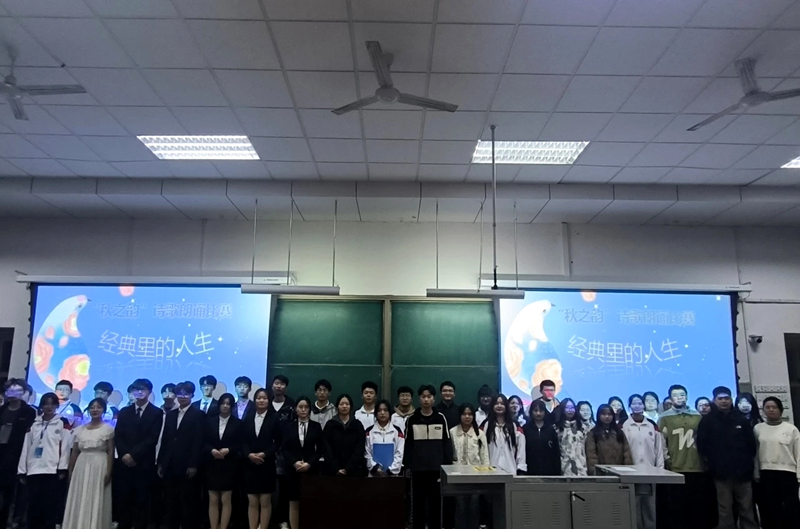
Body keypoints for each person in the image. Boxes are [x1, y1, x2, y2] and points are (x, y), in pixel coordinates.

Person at [697, 386, 758, 529]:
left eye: (727, 398)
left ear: (731, 400)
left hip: (743, 472)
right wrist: (714, 463)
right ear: (714, 400)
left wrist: (746, 464)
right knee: (724, 508)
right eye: (720, 399)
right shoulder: (707, 421)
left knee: (746, 507)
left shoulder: (741, 420)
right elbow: (702, 445)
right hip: (721, 473)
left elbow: (751, 445)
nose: (724, 401)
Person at [658, 384, 713, 529]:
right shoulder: (664, 417)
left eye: (682, 395)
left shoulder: (697, 416)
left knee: (697, 505)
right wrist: (667, 459)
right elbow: (661, 442)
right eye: (675, 395)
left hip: (697, 466)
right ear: (670, 398)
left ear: (687, 397)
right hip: (676, 467)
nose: (679, 398)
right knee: (677, 506)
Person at [17, 392, 71, 529]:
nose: (49, 407)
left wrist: (62, 468)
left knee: (49, 507)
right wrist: (22, 470)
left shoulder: (62, 423)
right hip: (33, 470)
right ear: (41, 406)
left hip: (52, 471)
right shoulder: (34, 424)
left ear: (57, 406)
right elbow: (26, 446)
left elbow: (65, 447)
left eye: (52, 404)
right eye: (46, 404)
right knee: (33, 506)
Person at [114, 378, 163, 529]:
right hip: (124, 463)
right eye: (136, 389)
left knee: (142, 499)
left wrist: (134, 455)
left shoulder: (156, 412)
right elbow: (118, 435)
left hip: (143, 463)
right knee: (124, 497)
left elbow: (153, 438)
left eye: (143, 389)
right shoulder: (124, 412)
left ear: (150, 392)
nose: (140, 392)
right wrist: (125, 454)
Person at [404, 385, 453, 529]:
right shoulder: (412, 419)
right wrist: (407, 465)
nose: (426, 399)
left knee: (436, 503)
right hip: (417, 469)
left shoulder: (441, 418)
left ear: (434, 399)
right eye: (423, 396)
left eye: (429, 396)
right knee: (417, 503)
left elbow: (446, 443)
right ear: (419, 399)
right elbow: (408, 444)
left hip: (436, 469)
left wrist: (447, 465)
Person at [63, 398, 115, 529]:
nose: (95, 410)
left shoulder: (108, 429)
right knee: (80, 495)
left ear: (103, 410)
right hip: (81, 464)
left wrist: (109, 471)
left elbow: (110, 451)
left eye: (98, 407)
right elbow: (75, 452)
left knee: (96, 496)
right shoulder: (79, 429)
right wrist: (71, 470)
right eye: (92, 407)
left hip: (99, 464)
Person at [159, 381, 205, 529]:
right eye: (180, 394)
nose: (182, 397)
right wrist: (161, 463)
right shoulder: (171, 414)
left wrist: (193, 464)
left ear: (192, 395)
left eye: (186, 394)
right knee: (170, 501)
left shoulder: (198, 415)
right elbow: (165, 440)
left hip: (187, 465)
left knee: (188, 501)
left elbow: (198, 441)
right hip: (170, 464)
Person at [753, 396, 800, 529]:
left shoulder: (791, 429)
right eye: (767, 407)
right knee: (769, 508)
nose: (771, 410)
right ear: (763, 410)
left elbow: (798, 453)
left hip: (788, 474)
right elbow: (755, 453)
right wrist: (756, 473)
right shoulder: (758, 428)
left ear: (780, 409)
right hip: (765, 473)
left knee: (790, 508)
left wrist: (799, 475)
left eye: (774, 407)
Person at [622, 394, 664, 529]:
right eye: (634, 403)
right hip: (630, 471)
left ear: (643, 405)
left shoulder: (652, 425)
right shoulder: (623, 425)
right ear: (629, 406)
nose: (637, 406)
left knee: (649, 504)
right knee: (632, 503)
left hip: (650, 470)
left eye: (640, 403)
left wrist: (660, 468)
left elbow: (659, 448)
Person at [282, 396, 323, 529]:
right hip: (293, 470)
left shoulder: (316, 427)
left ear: (310, 409)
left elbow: (320, 450)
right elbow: (284, 449)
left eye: (306, 407)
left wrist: (309, 464)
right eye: (300, 407)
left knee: (309, 502)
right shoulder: (288, 427)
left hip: (311, 470)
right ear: (295, 409)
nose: (303, 410)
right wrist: (294, 463)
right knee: (293, 501)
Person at [241, 387, 280, 529]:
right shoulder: (248, 417)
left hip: (266, 463)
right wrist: (249, 454)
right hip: (250, 464)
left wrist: (265, 454)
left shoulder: (274, 418)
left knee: (265, 501)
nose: (261, 401)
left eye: (264, 398)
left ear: (269, 400)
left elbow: (278, 442)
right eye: (258, 398)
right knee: (252, 501)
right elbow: (242, 440)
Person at [0, 378, 36, 529]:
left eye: (18, 390)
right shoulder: (2, 409)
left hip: (17, 456)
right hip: (1, 453)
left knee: (12, 493)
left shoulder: (29, 412)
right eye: (10, 390)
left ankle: (11, 521)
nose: (13, 393)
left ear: (24, 392)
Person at [203, 393, 242, 529]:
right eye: (223, 403)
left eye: (228, 404)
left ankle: (224, 527)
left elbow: (240, 443)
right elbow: (203, 442)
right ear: (219, 405)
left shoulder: (238, 423)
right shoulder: (209, 422)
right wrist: (211, 450)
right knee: (213, 499)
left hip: (229, 464)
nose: (225, 406)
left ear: (232, 406)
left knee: (226, 499)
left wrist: (229, 450)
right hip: (212, 464)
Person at [450, 403, 489, 529]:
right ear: (459, 415)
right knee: (460, 507)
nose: (467, 417)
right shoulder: (452, 432)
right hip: (457, 476)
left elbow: (484, 456)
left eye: (470, 414)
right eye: (464, 414)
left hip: (475, 476)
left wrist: (485, 475)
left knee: (474, 507)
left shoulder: (480, 433)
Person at [322, 394, 367, 477]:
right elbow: (326, 448)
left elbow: (360, 448)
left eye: (347, 404)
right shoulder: (330, 425)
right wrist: (336, 468)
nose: (344, 406)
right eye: (341, 404)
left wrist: (348, 468)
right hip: (332, 471)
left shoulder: (357, 425)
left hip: (354, 471)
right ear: (337, 406)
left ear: (351, 406)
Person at [271, 375, 294, 529]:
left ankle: (282, 519)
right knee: (266, 488)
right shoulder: (265, 402)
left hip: (286, 453)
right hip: (267, 452)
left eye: (282, 384)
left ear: (286, 387)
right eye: (277, 383)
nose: (279, 386)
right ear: (272, 385)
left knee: (285, 488)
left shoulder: (292, 405)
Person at [484, 394, 526, 475]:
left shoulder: (515, 426)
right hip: (491, 471)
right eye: (496, 403)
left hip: (510, 470)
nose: (499, 406)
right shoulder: (487, 425)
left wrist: (521, 468)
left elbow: (521, 449)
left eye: (502, 404)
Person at [586, 404, 632, 475]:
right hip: (601, 473)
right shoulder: (593, 433)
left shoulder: (619, 432)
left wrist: (628, 471)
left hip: (620, 472)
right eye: (603, 414)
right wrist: (594, 473)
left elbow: (627, 453)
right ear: (598, 415)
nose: (607, 416)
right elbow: (591, 456)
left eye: (609, 414)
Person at [366, 399, 404, 476]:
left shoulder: (397, 431)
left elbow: (399, 453)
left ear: (389, 412)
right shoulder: (369, 431)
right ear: (376, 413)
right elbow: (367, 453)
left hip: (392, 475)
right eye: (379, 410)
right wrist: (375, 468)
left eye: (385, 410)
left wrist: (390, 471)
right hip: (374, 474)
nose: (382, 413)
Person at [523, 400, 560, 476]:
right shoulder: (526, 429)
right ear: (531, 412)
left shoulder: (551, 429)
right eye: (535, 410)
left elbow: (556, 452)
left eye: (541, 411)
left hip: (549, 471)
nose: (538, 413)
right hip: (530, 471)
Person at [554, 398, 588, 476]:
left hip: (581, 466)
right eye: (567, 407)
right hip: (563, 465)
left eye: (572, 407)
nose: (570, 410)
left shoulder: (582, 427)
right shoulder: (557, 428)